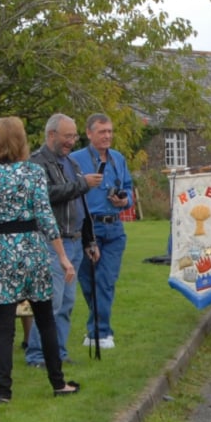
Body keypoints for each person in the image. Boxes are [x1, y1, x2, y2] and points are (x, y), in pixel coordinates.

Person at [0, 116, 80, 403]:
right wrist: (63, 257)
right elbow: (46, 217)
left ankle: (4, 391)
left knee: (4, 327)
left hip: (0, 252)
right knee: (45, 319)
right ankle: (58, 382)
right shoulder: (33, 173)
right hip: (32, 250)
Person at [25, 113, 99, 371]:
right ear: (51, 135)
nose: (71, 141)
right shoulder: (36, 163)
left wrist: (90, 241)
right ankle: (37, 355)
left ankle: (59, 351)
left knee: (67, 303)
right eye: (67, 136)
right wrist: (82, 185)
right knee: (50, 301)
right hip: (51, 242)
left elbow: (82, 205)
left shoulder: (71, 163)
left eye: (73, 136)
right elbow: (44, 195)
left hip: (76, 241)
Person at [72, 111, 133, 350]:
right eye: (102, 132)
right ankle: (97, 328)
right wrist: (84, 182)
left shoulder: (118, 159)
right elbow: (69, 191)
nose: (107, 136)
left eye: (110, 131)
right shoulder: (76, 160)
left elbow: (127, 188)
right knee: (88, 281)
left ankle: (101, 332)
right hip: (88, 227)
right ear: (89, 133)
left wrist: (124, 200)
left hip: (114, 227)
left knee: (105, 280)